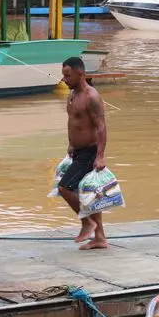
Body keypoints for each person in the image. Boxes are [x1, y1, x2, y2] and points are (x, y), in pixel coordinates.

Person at [57, 56, 109, 250]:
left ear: (80, 74)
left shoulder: (91, 96)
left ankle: (87, 221)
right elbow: (74, 122)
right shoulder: (72, 94)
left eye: (68, 76)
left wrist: (100, 156)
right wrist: (71, 144)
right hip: (77, 151)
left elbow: (101, 127)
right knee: (90, 195)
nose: (64, 79)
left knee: (65, 188)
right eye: (63, 75)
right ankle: (100, 238)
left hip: (90, 151)